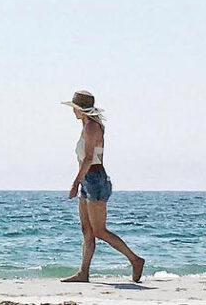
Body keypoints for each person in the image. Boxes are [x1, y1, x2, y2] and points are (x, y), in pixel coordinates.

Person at [60, 90, 145, 283]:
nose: (72, 112)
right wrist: (80, 181)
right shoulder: (86, 126)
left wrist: (75, 183)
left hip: (94, 179)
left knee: (99, 230)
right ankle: (83, 273)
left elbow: (89, 158)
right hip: (87, 179)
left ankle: (135, 260)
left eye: (74, 108)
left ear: (80, 109)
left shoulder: (92, 127)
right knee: (87, 230)